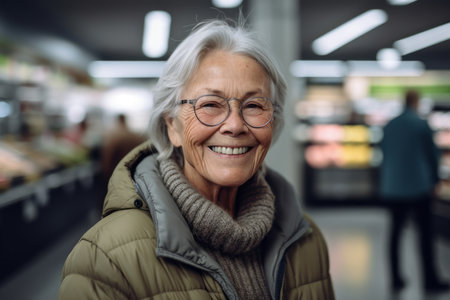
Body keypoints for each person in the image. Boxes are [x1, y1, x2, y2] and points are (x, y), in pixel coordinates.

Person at [58, 20, 334, 300]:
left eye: (254, 105)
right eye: (211, 105)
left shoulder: (305, 240)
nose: (235, 126)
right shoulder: (106, 257)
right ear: (172, 126)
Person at [379, 90, 449, 293]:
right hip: (418, 186)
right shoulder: (420, 124)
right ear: (416, 102)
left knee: (395, 234)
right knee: (425, 236)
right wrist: (435, 180)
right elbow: (432, 156)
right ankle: (430, 281)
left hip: (393, 187)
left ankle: (395, 278)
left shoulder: (390, 125)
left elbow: (384, 152)